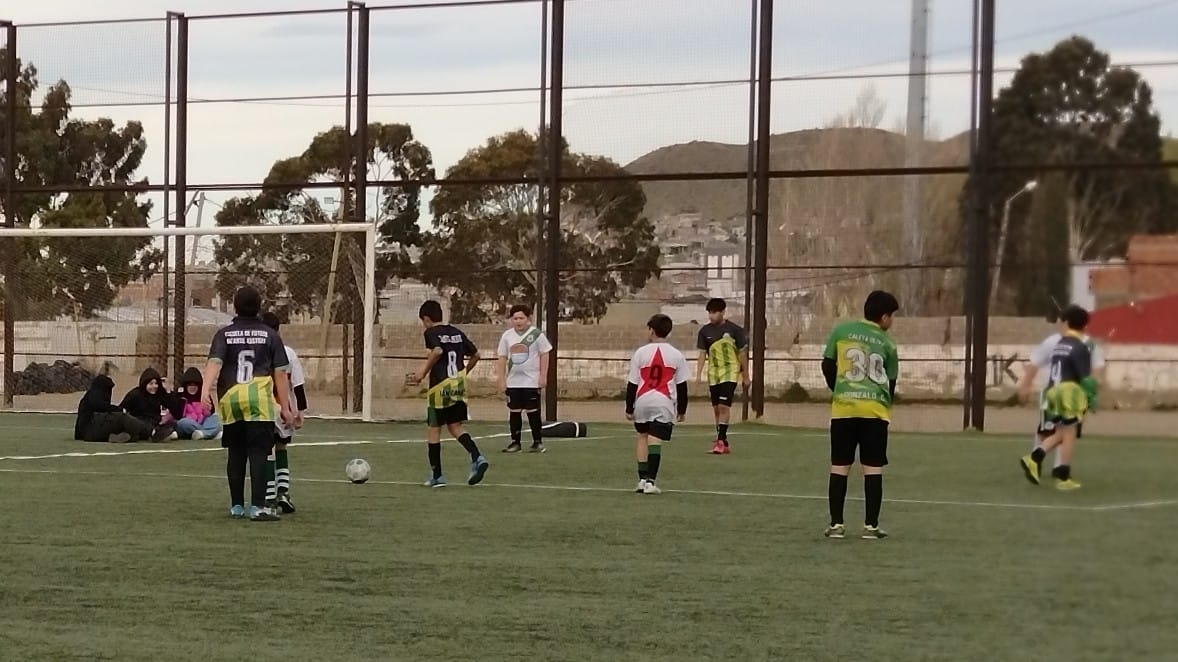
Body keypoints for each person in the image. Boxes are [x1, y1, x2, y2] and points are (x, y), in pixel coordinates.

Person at [201, 285, 294, 522]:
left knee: (236, 452)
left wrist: (205, 390)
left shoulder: (223, 334)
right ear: (259, 306)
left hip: (231, 398)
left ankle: (236, 506)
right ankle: (258, 507)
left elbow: (215, 362)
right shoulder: (271, 335)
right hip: (259, 400)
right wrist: (285, 407)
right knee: (258, 452)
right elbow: (280, 374)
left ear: (234, 306)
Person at [820, 290, 900, 540]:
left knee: (839, 466)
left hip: (844, 408)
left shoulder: (841, 331)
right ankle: (870, 527)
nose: (892, 321)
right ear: (884, 317)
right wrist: (883, 401)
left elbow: (827, 364)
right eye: (892, 316)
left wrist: (838, 389)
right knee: (873, 469)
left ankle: (836, 525)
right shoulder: (888, 343)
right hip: (874, 411)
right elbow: (891, 380)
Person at [405, 300, 490, 488]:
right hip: (458, 385)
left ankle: (437, 475)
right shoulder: (457, 332)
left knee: (434, 429)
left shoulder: (430, 333)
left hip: (439, 388)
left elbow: (437, 351)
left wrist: (422, 373)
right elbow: (477, 355)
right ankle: (477, 457)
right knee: (455, 426)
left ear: (426, 319)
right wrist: (464, 372)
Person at [1017, 308, 1105, 474]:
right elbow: (1097, 370)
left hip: (1056, 393)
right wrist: (1091, 392)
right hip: (1070, 395)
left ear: (1065, 322)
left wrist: (1025, 385)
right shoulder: (1083, 343)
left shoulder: (1062, 342)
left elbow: (1033, 364)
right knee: (1059, 431)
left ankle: (1053, 465)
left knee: (1062, 431)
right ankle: (1042, 462)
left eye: (1060, 320)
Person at [626, 314, 690, 495]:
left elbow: (632, 383)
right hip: (663, 401)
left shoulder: (640, 353)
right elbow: (681, 386)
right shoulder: (676, 355)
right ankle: (650, 481)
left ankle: (641, 479)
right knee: (655, 438)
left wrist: (629, 407)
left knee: (642, 436)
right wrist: (682, 410)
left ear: (651, 330)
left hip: (642, 400)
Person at [262, 311, 308, 514]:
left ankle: (269, 497)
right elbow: (298, 385)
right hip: (284, 409)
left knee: (267, 451)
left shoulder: (257, 350)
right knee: (281, 447)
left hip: (262, 407)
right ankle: (283, 492)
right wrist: (300, 412)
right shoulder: (288, 352)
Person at [496, 304, 553, 453]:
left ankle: (537, 442)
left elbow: (545, 354)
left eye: (521, 318)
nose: (518, 321)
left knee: (533, 411)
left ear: (528, 319)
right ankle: (515, 442)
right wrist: (501, 379)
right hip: (513, 382)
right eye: (515, 318)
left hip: (531, 381)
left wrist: (543, 376)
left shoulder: (536, 334)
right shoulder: (507, 336)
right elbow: (502, 358)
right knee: (514, 412)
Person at [695, 298, 749, 455]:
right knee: (716, 409)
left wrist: (746, 375)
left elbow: (742, 353)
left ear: (723, 312)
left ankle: (720, 441)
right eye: (710, 313)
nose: (712, 316)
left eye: (715, 312)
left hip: (730, 372)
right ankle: (723, 441)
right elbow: (702, 354)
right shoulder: (704, 332)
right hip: (714, 374)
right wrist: (698, 374)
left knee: (724, 406)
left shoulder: (734, 330)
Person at [74, 373, 151, 443]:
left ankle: (116, 436)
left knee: (130, 432)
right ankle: (151, 432)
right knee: (122, 418)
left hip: (89, 433)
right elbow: (100, 406)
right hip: (90, 431)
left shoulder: (88, 398)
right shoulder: (94, 397)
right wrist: (119, 410)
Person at [118, 368, 182, 442]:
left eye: (156, 383)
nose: (154, 386)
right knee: (139, 426)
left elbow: (175, 409)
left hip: (155, 423)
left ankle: (150, 434)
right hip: (139, 423)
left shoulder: (159, 394)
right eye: (151, 384)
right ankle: (148, 434)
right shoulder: (135, 394)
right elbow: (122, 409)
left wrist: (168, 391)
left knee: (173, 425)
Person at [175, 367, 224, 440]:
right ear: (186, 386)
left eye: (195, 385)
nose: (192, 387)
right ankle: (210, 433)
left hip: (203, 422)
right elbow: (177, 415)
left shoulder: (204, 396)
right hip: (188, 424)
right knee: (183, 422)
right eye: (190, 385)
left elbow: (211, 413)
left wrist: (208, 411)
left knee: (216, 418)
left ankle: (202, 433)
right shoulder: (180, 397)